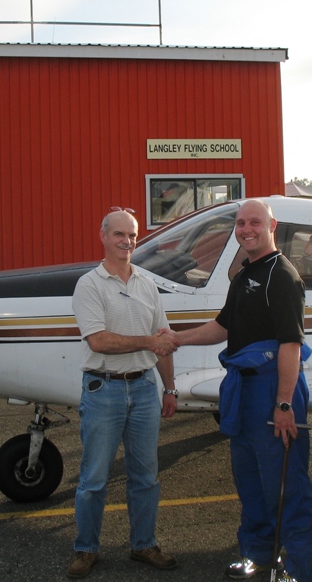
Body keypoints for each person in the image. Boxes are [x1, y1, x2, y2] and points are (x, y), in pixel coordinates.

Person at [173, 199, 312, 582]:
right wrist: (177, 339)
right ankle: (257, 557)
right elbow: (223, 326)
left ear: (272, 224)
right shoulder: (244, 274)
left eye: (254, 222)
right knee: (251, 485)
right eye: (240, 223)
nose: (246, 229)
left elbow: (290, 344)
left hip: (274, 389)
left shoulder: (282, 276)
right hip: (243, 390)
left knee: (287, 489)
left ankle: (301, 571)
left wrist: (285, 403)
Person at [67, 207, 180, 579]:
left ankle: (143, 544)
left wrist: (170, 388)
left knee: (145, 476)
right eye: (119, 234)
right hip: (104, 390)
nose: (127, 241)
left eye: (131, 235)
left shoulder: (147, 285)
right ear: (103, 236)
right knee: (94, 478)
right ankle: (86, 549)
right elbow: (98, 341)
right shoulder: (89, 285)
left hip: (146, 389)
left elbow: (162, 343)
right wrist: (150, 342)